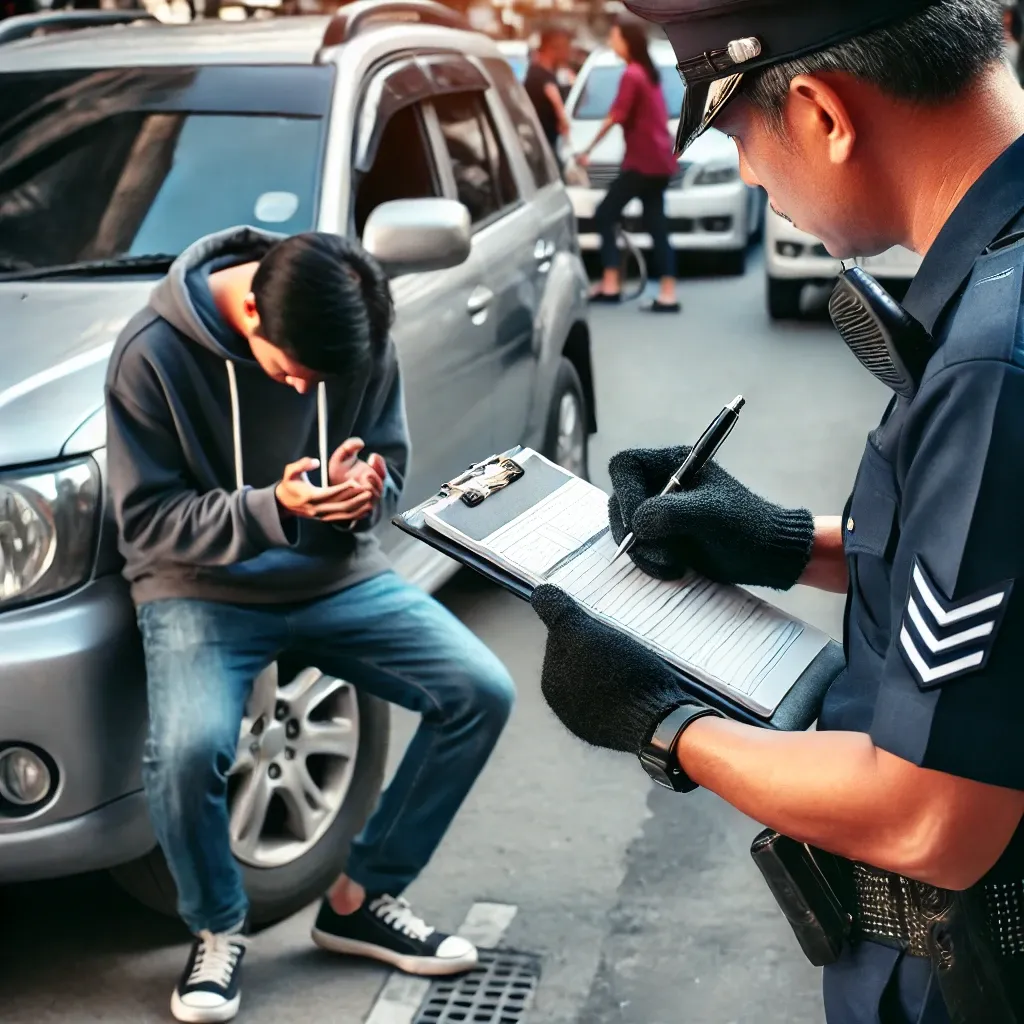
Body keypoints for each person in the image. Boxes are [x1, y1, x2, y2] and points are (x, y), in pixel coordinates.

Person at [529, 1, 1024, 1021]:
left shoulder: (993, 355)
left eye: (738, 134)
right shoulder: (1000, 283)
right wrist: (782, 542)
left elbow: (933, 816)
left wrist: (663, 722)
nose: (749, 174)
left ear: (821, 112)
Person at [105, 228, 516, 1024]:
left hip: (334, 572)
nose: (303, 394)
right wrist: (272, 509)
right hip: (200, 588)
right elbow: (145, 526)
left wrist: (369, 490)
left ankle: (360, 898)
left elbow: (391, 464)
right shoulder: (150, 354)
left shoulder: (353, 330)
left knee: (480, 690)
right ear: (251, 308)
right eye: (292, 369)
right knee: (188, 751)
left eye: (319, 381)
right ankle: (218, 927)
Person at [579, 17, 680, 314]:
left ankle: (611, 283)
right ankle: (668, 293)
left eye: (614, 37)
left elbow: (615, 116)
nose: (612, 43)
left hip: (643, 162)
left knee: (605, 213)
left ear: (627, 41)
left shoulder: (632, 75)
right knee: (656, 224)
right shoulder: (648, 74)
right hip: (660, 162)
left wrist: (587, 150)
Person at [524, 25, 573, 167]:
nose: (568, 53)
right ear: (554, 48)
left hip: (543, 146)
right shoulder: (540, 76)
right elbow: (556, 102)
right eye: (566, 48)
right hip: (543, 149)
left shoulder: (539, 73)